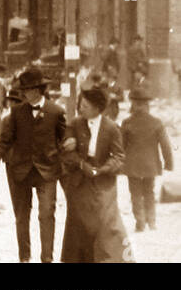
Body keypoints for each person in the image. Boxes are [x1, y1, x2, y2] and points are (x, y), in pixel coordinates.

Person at [0, 65, 66, 263]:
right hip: (20, 171)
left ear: (39, 90)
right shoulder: (17, 112)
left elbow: (63, 141)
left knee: (47, 214)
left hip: (46, 172)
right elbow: (4, 140)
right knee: (22, 217)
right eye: (22, 90)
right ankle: (24, 257)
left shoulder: (56, 112)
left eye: (28, 90)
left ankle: (47, 258)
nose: (24, 93)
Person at [59, 85, 131, 263]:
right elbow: (67, 151)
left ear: (97, 109)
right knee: (78, 222)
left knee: (105, 221)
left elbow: (119, 157)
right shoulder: (75, 124)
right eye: (80, 104)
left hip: (103, 182)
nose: (81, 108)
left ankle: (109, 259)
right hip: (80, 181)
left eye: (85, 105)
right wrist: (82, 164)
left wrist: (102, 169)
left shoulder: (111, 128)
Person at [121, 89, 173, 232]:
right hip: (151, 165)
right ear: (147, 105)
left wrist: (119, 164)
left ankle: (140, 223)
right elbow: (165, 145)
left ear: (133, 104)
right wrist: (169, 163)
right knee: (149, 192)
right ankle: (152, 222)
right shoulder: (156, 123)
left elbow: (121, 146)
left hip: (132, 165)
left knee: (135, 194)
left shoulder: (127, 123)